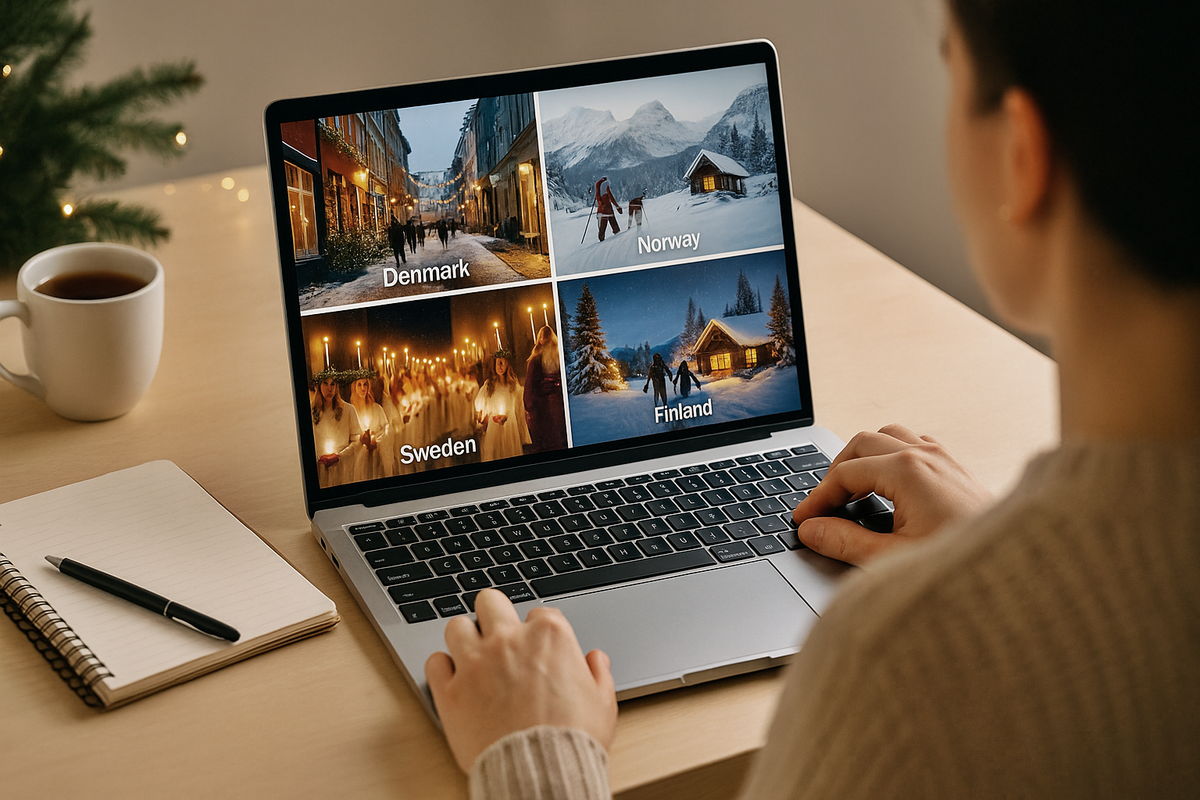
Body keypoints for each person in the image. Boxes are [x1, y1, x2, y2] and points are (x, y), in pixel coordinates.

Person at [425, 2, 1200, 797]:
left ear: (1021, 161)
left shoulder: (897, 684)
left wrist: (535, 757)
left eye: (951, 73)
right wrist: (1010, 569)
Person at [473, 350, 531, 462]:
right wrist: (483, 418)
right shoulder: (489, 385)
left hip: (510, 426)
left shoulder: (513, 385)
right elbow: (480, 404)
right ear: (494, 365)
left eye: (504, 363)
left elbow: (519, 407)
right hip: (494, 428)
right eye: (499, 363)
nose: (502, 367)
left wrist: (522, 432)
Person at [310, 374, 362, 489]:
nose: (329, 389)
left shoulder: (348, 410)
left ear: (337, 387)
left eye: (333, 384)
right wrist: (319, 458)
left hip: (343, 469)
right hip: (320, 471)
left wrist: (340, 456)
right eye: (325, 384)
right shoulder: (311, 411)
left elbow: (357, 439)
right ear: (319, 386)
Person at [523, 326, 567, 453]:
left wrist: (529, 405)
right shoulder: (557, 357)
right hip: (556, 405)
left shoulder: (536, 359)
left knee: (548, 443)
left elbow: (530, 385)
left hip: (543, 408)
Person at [348, 375, 388, 482]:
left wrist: (376, 440)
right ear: (354, 387)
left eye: (365, 384)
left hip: (376, 456)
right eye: (359, 385)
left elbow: (386, 429)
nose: (362, 388)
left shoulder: (376, 408)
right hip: (359, 459)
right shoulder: (351, 411)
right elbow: (350, 434)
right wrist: (361, 439)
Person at [593, 177, 621, 242]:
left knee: (602, 230)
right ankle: (619, 240)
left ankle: (600, 243)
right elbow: (611, 197)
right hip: (609, 210)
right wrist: (617, 206)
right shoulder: (605, 185)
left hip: (601, 211)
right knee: (615, 228)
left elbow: (597, 198)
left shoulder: (598, 186)